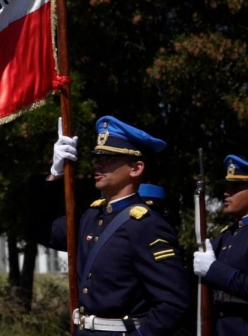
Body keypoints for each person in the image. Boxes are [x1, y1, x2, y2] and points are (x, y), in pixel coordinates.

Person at [34, 116, 190, 334]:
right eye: (97, 157)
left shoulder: (147, 225)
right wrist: (54, 174)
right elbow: (42, 230)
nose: (98, 163)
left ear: (136, 168)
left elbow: (173, 303)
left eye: (109, 158)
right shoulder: (92, 216)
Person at [193, 155, 248, 335]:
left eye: (235, 188)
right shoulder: (225, 235)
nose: (226, 192)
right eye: (227, 187)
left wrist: (213, 268)